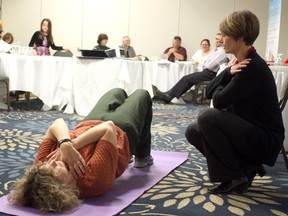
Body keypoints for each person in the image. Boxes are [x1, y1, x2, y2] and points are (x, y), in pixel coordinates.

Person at [185, 10, 284, 194]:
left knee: (208, 116)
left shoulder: (250, 67)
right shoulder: (239, 62)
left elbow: (219, 100)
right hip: (250, 129)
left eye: (225, 35)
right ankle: (243, 170)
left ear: (240, 37)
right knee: (193, 131)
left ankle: (236, 176)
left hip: (265, 139)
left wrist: (223, 80)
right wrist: (226, 73)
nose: (221, 39)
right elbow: (208, 91)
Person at [8, 88, 153, 213]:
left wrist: (66, 145)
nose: (51, 164)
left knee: (117, 92)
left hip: (88, 123)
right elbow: (109, 128)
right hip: (120, 131)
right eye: (53, 172)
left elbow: (56, 124)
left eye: (47, 166)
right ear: (62, 187)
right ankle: (142, 155)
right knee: (142, 94)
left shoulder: (42, 168)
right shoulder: (94, 181)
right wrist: (72, 146)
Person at [155, 33, 227, 103]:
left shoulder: (221, 52)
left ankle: (169, 96)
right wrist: (206, 62)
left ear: (223, 41)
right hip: (206, 72)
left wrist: (206, 62)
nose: (217, 40)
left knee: (188, 79)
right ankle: (169, 94)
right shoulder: (215, 50)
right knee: (186, 77)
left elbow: (209, 65)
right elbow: (207, 62)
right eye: (216, 39)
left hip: (211, 74)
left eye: (220, 39)